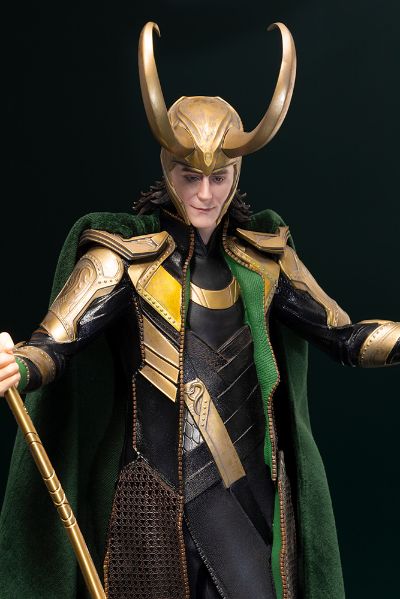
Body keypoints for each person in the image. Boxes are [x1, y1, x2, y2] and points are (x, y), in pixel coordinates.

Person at [0, 20, 399, 599]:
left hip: (248, 493)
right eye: (191, 177)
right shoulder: (125, 260)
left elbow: (346, 337)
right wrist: (18, 363)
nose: (205, 194)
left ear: (237, 175)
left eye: (219, 177)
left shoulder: (264, 262)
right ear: (168, 170)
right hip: (155, 500)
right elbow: (53, 345)